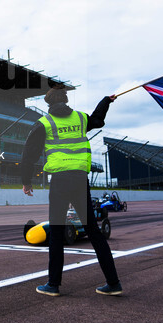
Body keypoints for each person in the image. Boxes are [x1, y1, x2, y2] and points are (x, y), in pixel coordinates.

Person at [21, 86, 122, 297]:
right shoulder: (80, 118)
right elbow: (98, 120)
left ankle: (53, 284)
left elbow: (29, 153)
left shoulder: (44, 123)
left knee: (57, 232)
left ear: (48, 103)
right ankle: (113, 283)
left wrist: (26, 181)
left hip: (59, 180)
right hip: (79, 179)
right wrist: (106, 101)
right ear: (66, 100)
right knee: (93, 231)